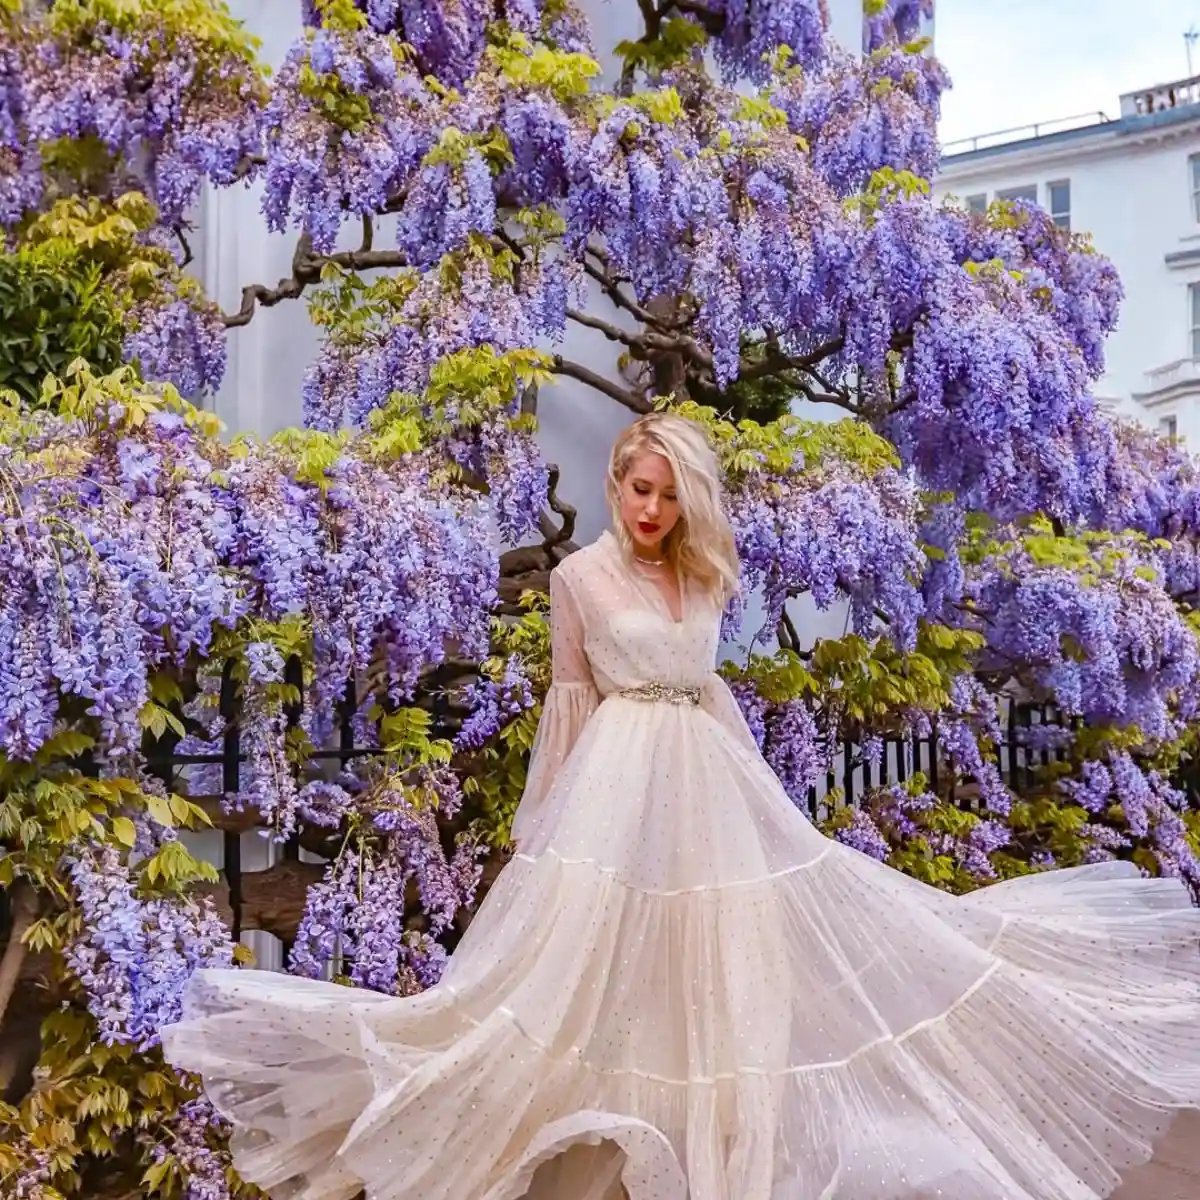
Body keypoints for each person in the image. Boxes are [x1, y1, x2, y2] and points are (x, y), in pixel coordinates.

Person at [163, 412, 1200, 1200]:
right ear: (615, 485)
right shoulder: (579, 577)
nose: (648, 511)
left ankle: (726, 1143)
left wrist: (764, 800)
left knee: (724, 946)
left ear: (685, 500)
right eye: (636, 491)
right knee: (596, 963)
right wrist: (547, 832)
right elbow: (571, 702)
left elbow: (710, 691)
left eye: (665, 495)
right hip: (617, 780)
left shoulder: (703, 578)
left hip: (706, 773)